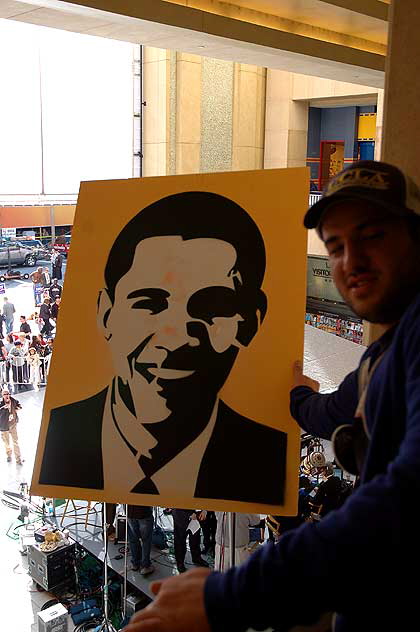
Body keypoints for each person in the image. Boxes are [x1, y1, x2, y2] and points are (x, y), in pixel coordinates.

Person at [123, 160, 420, 632]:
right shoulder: (384, 355)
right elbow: (333, 411)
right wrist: (299, 399)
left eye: (373, 236)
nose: (351, 262)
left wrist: (227, 596)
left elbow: (408, 499)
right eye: (337, 246)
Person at [39, 192, 287, 505]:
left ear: (251, 322)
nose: (175, 337)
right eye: (149, 303)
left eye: (211, 305)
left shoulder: (272, 459)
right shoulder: (57, 436)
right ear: (105, 314)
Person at [172, 508, 209, 574]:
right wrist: (189, 514)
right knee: (180, 542)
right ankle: (180, 563)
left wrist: (205, 510)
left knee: (196, 540)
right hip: (181, 516)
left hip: (197, 516)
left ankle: (196, 558)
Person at [127, 505, 155, 576]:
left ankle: (135, 563)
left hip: (130, 512)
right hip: (144, 513)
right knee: (146, 540)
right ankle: (145, 566)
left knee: (133, 539)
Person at [0, 389, 23, 464]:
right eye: (5, 394)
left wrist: (18, 408)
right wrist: (3, 409)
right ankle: (9, 455)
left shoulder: (13, 400)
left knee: (15, 442)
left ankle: (18, 459)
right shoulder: (1, 404)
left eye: (8, 394)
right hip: (4, 427)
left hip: (13, 424)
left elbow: (19, 405)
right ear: (2, 395)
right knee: (7, 443)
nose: (7, 395)